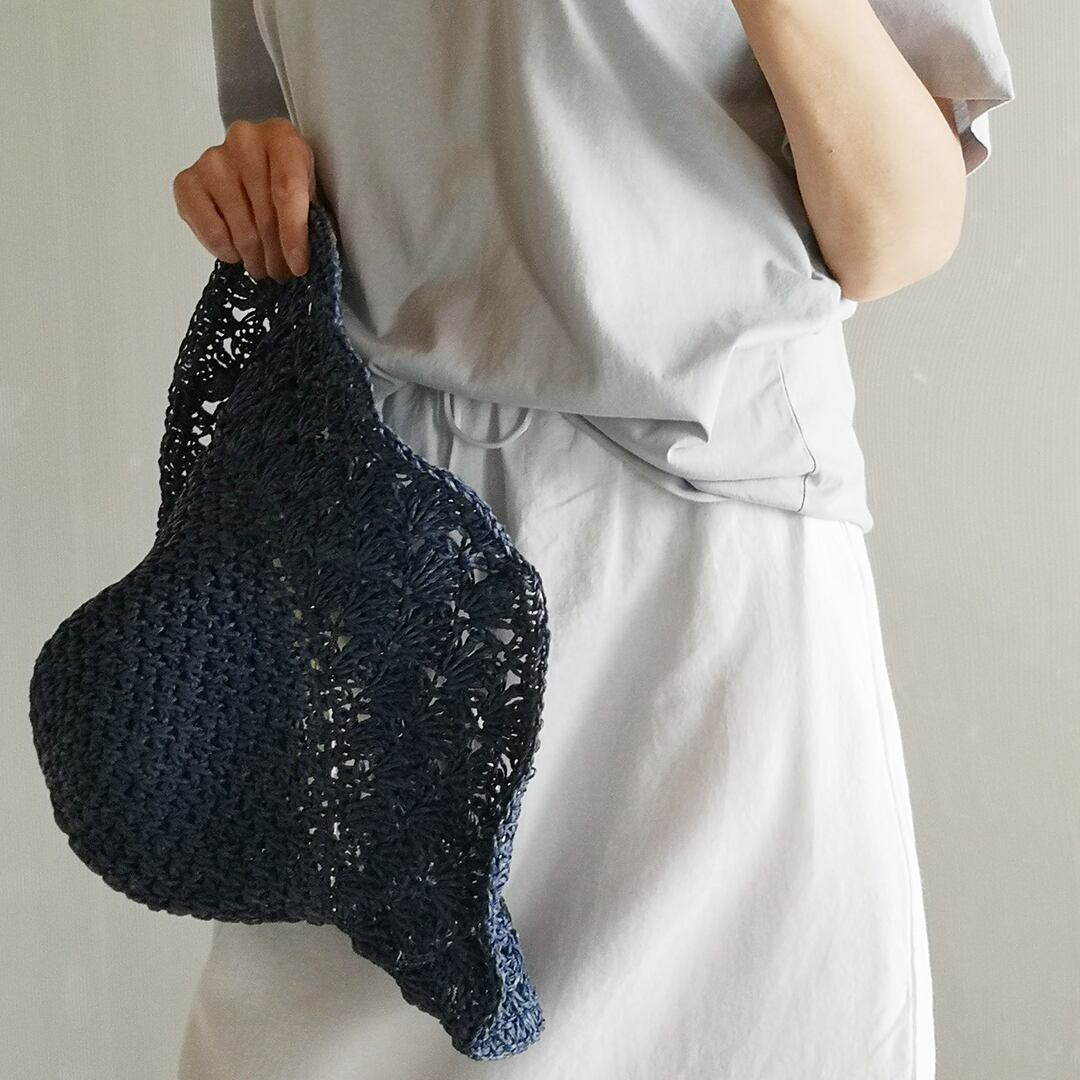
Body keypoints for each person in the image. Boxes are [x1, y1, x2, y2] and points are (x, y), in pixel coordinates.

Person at [173, 2, 1015, 1077]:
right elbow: (296, 123)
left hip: (696, 586)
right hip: (381, 574)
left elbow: (901, 229)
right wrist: (257, 177)